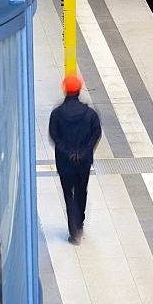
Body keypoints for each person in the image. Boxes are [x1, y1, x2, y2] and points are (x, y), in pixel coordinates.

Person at [49, 74, 101, 244]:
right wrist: (84, 152)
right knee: (81, 190)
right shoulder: (90, 114)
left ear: (65, 90)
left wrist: (67, 152)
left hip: (64, 162)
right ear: (79, 91)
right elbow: (96, 134)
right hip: (84, 162)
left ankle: (74, 230)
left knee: (68, 193)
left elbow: (54, 136)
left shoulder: (57, 114)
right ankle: (80, 222)